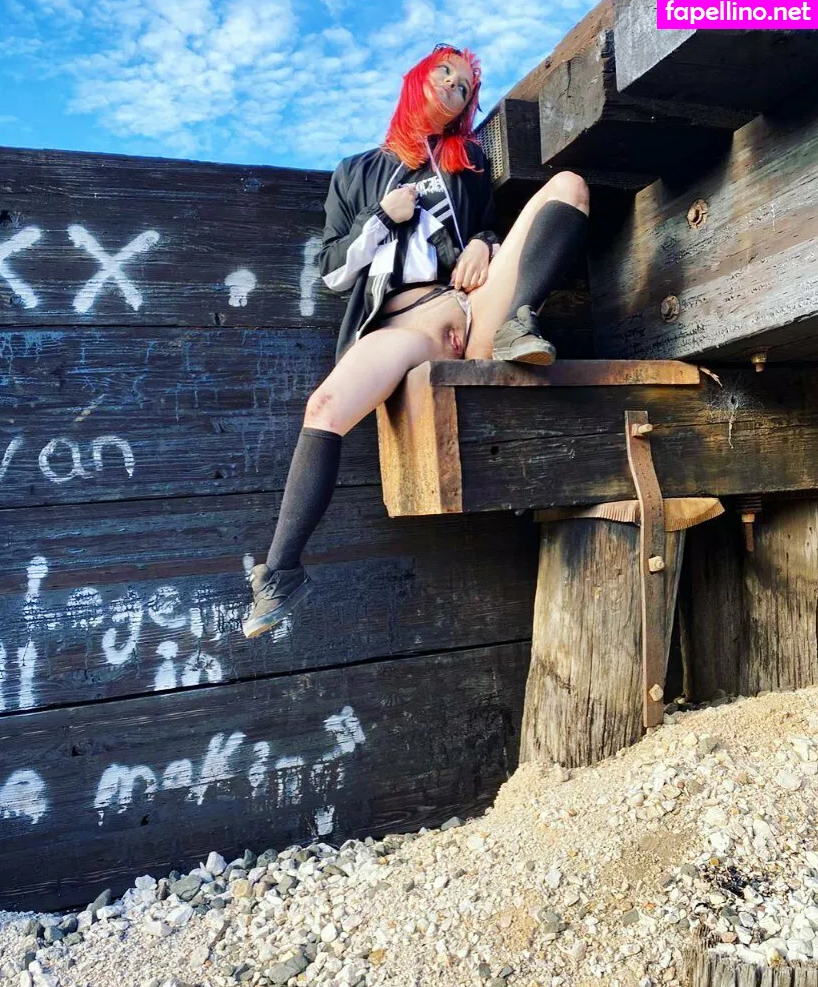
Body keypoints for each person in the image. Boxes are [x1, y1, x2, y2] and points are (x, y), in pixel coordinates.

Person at [242, 43, 590, 639]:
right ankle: (281, 573)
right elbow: (333, 274)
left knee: (569, 185)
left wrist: (483, 242)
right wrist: (382, 216)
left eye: (464, 87)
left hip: (475, 308)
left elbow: (485, 227)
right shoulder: (355, 173)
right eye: (444, 73)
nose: (454, 87)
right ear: (417, 79)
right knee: (324, 408)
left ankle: (520, 321)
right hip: (407, 327)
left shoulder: (467, 162)